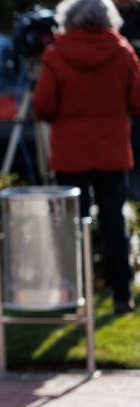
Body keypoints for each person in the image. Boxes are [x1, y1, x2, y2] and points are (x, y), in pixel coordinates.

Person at [32, 0, 140, 314]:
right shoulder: (123, 52)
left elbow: (43, 106)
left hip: (70, 154)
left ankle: (71, 294)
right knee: (113, 224)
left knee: (69, 228)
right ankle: (122, 294)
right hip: (111, 152)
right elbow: (136, 101)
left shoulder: (56, 55)